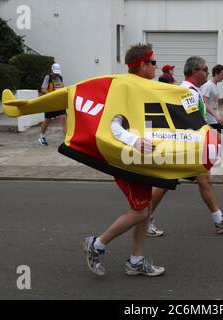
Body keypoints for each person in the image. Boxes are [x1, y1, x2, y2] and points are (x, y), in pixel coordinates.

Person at [83, 43, 165, 277]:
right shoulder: (125, 87)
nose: (155, 67)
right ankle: (96, 244)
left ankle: (136, 261)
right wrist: (135, 142)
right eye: (152, 63)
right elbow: (112, 123)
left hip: (141, 158)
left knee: (145, 208)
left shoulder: (144, 87)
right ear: (142, 65)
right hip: (125, 158)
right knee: (140, 212)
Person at [147, 56, 223, 237]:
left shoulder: (193, 90)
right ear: (194, 71)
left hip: (189, 144)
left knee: (204, 179)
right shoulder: (188, 92)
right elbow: (191, 120)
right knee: (164, 184)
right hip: (183, 145)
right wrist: (212, 133)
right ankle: (144, 218)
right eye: (205, 69)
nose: (208, 72)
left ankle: (219, 220)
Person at [39, 63, 67, 146]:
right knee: (47, 120)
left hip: (59, 103)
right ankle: (42, 136)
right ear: (52, 70)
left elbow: (63, 88)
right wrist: (52, 95)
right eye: (55, 72)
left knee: (63, 119)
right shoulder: (48, 77)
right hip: (50, 103)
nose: (56, 74)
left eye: (57, 72)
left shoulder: (60, 78)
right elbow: (43, 89)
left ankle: (66, 140)